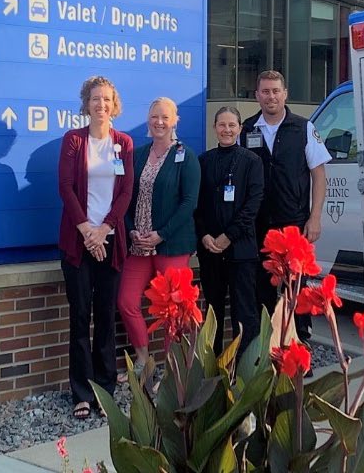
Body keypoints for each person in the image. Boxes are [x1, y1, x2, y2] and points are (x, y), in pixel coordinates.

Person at [57, 76, 134, 420]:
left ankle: (104, 390)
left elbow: (125, 193)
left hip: (111, 239)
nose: (100, 104)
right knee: (79, 316)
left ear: (113, 104)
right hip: (78, 239)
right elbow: (66, 187)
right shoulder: (74, 141)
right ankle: (81, 393)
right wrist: (87, 231)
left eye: (106, 99)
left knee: (105, 316)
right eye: (95, 98)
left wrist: (104, 230)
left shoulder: (124, 143)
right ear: (86, 104)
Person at [240, 70, 331, 347]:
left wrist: (315, 217)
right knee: (262, 288)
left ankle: (300, 344)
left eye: (275, 91)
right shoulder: (247, 129)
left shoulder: (303, 128)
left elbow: (318, 174)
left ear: (285, 94)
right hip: (259, 226)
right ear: (257, 96)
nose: (271, 97)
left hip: (294, 223)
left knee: (297, 288)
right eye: (265, 91)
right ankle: (265, 347)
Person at [117, 97, 200, 379]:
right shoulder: (137, 154)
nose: (159, 122)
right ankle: (143, 359)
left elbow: (189, 202)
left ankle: (173, 366)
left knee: (173, 309)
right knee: (127, 300)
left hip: (171, 245)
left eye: (165, 117)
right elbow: (124, 197)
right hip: (138, 245)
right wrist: (130, 229)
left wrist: (161, 235)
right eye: (154, 116)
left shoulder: (185, 156)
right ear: (148, 120)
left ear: (175, 121)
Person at [197, 106, 265, 353]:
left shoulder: (252, 161)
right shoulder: (203, 161)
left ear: (240, 129)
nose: (227, 130)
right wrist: (204, 235)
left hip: (241, 251)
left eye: (232, 125)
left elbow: (253, 204)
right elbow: (197, 204)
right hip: (210, 250)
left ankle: (246, 370)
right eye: (222, 125)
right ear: (215, 128)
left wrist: (229, 237)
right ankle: (211, 371)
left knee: (244, 312)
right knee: (212, 313)